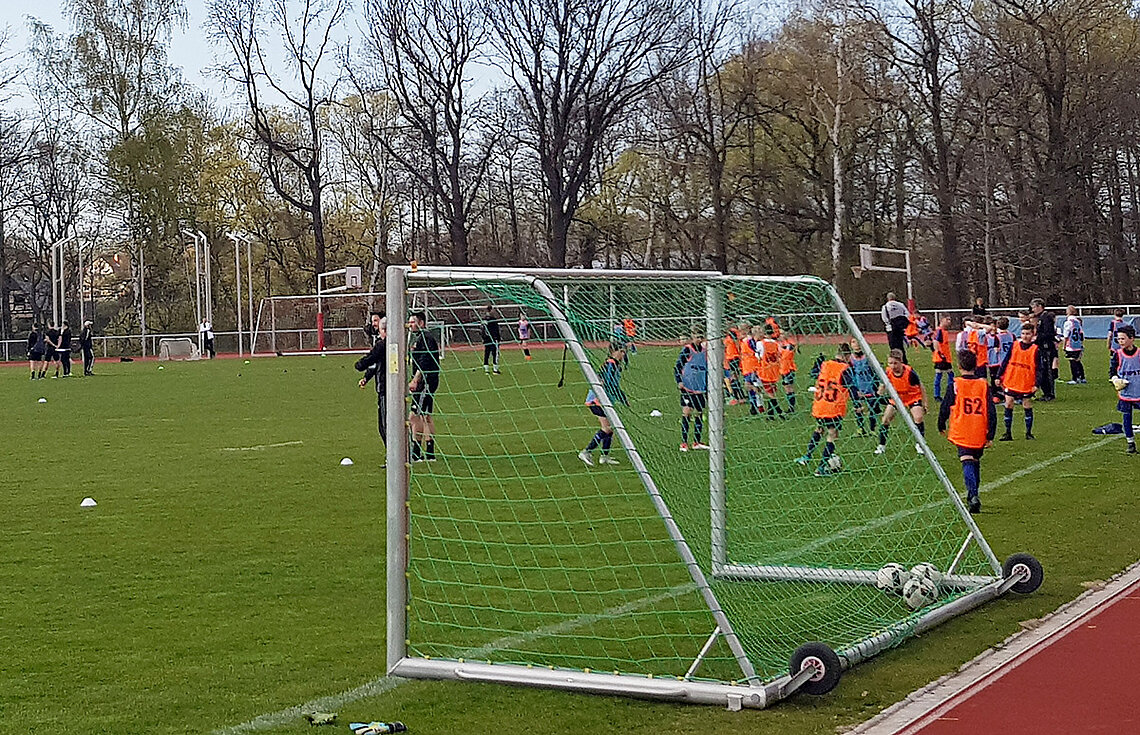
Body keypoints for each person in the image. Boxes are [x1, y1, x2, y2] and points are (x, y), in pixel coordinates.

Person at [938, 350, 996, 514]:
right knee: (974, 462)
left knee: (967, 461)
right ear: (976, 366)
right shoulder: (983, 385)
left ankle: (973, 495)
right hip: (979, 429)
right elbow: (991, 412)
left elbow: (945, 406)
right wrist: (990, 434)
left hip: (962, 429)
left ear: (959, 366)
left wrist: (941, 424)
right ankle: (974, 494)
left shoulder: (955, 385)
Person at [796, 343, 857, 477]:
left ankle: (807, 456)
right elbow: (851, 388)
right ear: (847, 355)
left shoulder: (826, 364)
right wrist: (858, 405)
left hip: (819, 405)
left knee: (819, 428)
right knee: (832, 435)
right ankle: (821, 468)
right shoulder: (844, 368)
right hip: (833, 407)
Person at [579, 346, 629, 466]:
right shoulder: (610, 364)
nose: (623, 355)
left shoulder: (615, 365)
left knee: (610, 429)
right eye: (621, 351)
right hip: (597, 401)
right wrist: (623, 398)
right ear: (613, 352)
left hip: (604, 401)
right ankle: (586, 452)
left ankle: (605, 456)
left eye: (624, 352)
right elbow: (609, 383)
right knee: (606, 429)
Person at [875, 348, 927, 456]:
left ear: (901, 362)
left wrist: (925, 403)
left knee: (918, 417)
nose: (893, 366)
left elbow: (921, 387)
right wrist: (879, 394)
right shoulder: (888, 372)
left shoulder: (910, 372)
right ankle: (881, 445)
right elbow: (883, 384)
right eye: (890, 363)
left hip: (912, 397)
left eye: (895, 363)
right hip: (897, 398)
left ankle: (920, 444)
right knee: (885, 419)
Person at [996, 322, 1039, 441]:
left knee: (1026, 404)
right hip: (1011, 380)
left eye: (1028, 334)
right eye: (1023, 333)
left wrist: (1037, 384)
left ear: (1033, 334)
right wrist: (998, 376)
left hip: (1026, 382)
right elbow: (1005, 361)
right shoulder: (1014, 345)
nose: (1025, 336)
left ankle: (1028, 433)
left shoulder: (1036, 349)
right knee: (1008, 404)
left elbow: (1040, 369)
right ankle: (1007, 432)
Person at [408, 311, 441, 462]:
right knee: (426, 415)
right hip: (429, 380)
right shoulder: (421, 338)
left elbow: (425, 361)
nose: (410, 325)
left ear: (421, 323)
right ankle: (430, 453)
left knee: (414, 416)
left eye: (413, 322)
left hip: (426, 381)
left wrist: (416, 379)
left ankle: (416, 452)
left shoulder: (426, 338)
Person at [355, 315, 388, 454]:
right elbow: (375, 365)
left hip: (385, 388)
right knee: (386, 425)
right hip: (389, 388)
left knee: (385, 425)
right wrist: (367, 377)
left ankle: (393, 456)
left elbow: (371, 358)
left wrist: (359, 365)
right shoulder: (393, 344)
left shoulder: (382, 345)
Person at [675, 330, 709, 451]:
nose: (698, 339)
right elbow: (678, 366)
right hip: (687, 387)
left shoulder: (705, 352)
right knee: (687, 412)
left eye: (700, 337)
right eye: (696, 337)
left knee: (699, 413)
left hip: (700, 387)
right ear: (692, 337)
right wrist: (679, 380)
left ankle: (697, 441)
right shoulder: (687, 350)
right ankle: (683, 443)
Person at [1111, 324, 1140, 454]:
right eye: (1118, 339)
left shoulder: (1139, 354)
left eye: (1123, 339)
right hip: (1126, 394)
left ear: (1132, 338)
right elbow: (1112, 371)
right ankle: (1130, 442)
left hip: (1138, 392)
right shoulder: (1117, 354)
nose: (1120, 342)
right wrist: (1116, 379)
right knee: (1126, 418)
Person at [847, 341, 881, 437]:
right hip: (858, 386)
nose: (856, 344)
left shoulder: (868, 356)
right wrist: (854, 388)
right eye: (853, 342)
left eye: (857, 342)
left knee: (872, 408)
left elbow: (875, 372)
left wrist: (877, 385)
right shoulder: (850, 359)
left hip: (870, 386)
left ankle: (872, 429)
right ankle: (860, 429)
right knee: (858, 408)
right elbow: (850, 374)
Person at [756, 323, 785, 419]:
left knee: (770, 393)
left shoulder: (760, 343)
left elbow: (758, 356)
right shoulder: (776, 343)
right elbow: (780, 355)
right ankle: (770, 414)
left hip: (765, 371)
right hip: (774, 370)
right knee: (771, 391)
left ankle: (780, 412)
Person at [1029, 298, 1056, 400]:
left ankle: (1050, 393)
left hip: (1047, 347)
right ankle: (1046, 393)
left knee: (1047, 370)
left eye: (1034, 307)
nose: (1033, 310)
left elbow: (1049, 333)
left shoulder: (1046, 317)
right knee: (1042, 370)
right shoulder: (1040, 317)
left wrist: (1037, 338)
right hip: (1041, 347)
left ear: (1040, 306)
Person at [881, 292, 910, 362]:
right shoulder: (901, 305)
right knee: (900, 345)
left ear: (888, 298)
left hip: (891, 329)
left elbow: (884, 318)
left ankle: (895, 359)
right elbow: (907, 314)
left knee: (893, 346)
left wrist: (889, 324)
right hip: (900, 328)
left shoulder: (885, 307)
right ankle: (903, 360)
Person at [931, 315, 954, 401]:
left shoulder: (943, 331)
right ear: (942, 320)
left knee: (950, 374)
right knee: (939, 375)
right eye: (947, 319)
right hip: (941, 358)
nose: (949, 321)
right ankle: (937, 395)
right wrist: (940, 353)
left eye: (949, 319)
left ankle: (949, 393)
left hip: (946, 358)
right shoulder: (939, 331)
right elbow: (935, 342)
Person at [1061, 305, 1086, 385]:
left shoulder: (1068, 322)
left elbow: (1066, 335)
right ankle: (1082, 377)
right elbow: (1081, 334)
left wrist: (1064, 346)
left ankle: (1075, 378)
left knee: (1072, 361)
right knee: (1078, 361)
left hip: (1071, 345)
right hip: (1078, 344)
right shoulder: (1078, 322)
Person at [722, 324, 746, 405]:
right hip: (732, 358)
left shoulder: (731, 335)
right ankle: (739, 396)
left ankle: (738, 397)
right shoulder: (729, 338)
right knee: (732, 378)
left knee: (733, 378)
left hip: (733, 358)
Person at [779, 332, 798, 412]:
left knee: (789, 388)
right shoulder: (782, 345)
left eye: (781, 335)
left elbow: (785, 356)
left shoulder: (789, 346)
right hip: (783, 370)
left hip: (788, 369)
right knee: (787, 387)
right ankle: (791, 406)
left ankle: (791, 407)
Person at [481, 305, 501, 375]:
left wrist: (483, 337)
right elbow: (496, 330)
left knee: (487, 353)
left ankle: (486, 369)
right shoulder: (493, 320)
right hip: (493, 339)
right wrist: (498, 338)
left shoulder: (484, 319)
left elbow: (482, 330)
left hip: (486, 339)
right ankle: (495, 369)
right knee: (495, 353)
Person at [1108, 309, 1127, 377]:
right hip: (1123, 345)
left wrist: (1108, 344)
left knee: (1113, 361)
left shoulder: (1113, 323)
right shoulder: (1125, 324)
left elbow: (1110, 334)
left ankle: (1112, 375)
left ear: (1114, 314)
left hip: (1115, 346)